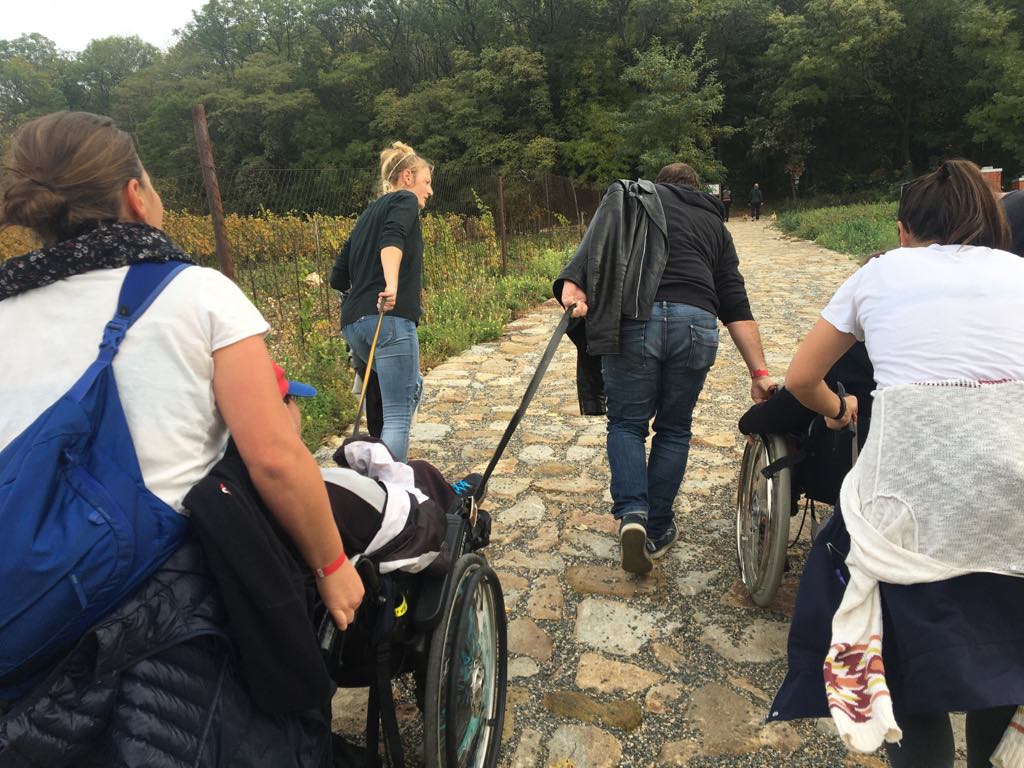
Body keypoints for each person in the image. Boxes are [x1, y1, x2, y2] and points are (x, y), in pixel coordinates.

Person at [0, 111, 362, 765]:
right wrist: (333, 568)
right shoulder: (196, 293)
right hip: (151, 608)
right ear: (136, 196)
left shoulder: (8, 304)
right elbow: (275, 460)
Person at [772, 158, 1024, 768]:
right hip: (1014, 512)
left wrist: (839, 409)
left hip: (910, 510)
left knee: (908, 679)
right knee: (1005, 665)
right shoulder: (1020, 273)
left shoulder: (880, 272)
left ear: (903, 230)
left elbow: (801, 378)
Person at [555, 162, 774, 576]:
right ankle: (657, 528)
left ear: (658, 187)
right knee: (674, 428)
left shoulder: (636, 200)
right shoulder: (715, 226)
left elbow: (598, 246)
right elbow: (734, 300)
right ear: (697, 189)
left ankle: (633, 514)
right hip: (697, 324)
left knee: (627, 424)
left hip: (636, 320)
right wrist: (759, 373)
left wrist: (575, 284)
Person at [330, 141, 433, 462]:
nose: (429, 191)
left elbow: (337, 275)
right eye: (426, 181)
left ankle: (377, 469)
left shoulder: (367, 214)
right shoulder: (405, 199)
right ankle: (391, 485)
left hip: (354, 325)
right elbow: (393, 237)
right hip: (389, 319)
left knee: (410, 387)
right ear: (407, 177)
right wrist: (390, 285)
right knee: (398, 416)